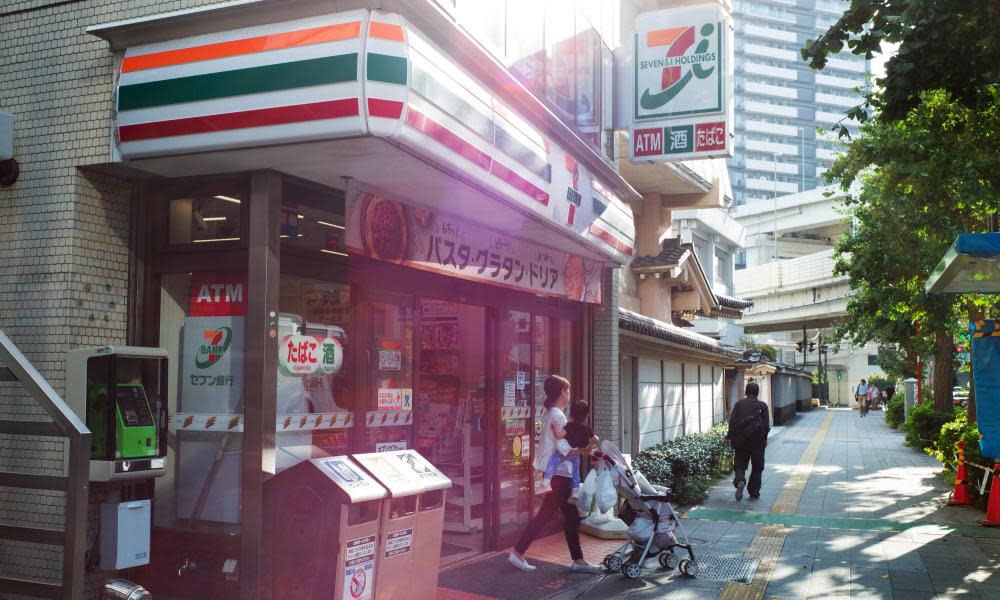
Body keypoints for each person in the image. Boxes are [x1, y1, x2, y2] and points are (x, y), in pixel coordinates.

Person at [509, 375, 602, 574]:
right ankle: (518, 553)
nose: (569, 394)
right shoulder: (558, 416)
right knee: (550, 516)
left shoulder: (551, 413)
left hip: (558, 474)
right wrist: (586, 451)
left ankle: (578, 560)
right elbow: (563, 447)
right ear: (562, 393)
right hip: (561, 475)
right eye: (567, 390)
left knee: (569, 517)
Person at [544, 400, 599, 504]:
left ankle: (546, 481)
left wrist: (554, 427)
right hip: (575, 455)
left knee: (552, 461)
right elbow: (595, 440)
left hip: (565, 452)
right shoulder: (587, 428)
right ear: (587, 415)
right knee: (575, 473)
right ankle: (575, 491)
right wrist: (592, 443)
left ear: (572, 414)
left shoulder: (569, 425)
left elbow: (559, 435)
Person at [727, 382, 770, 501]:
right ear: (757, 392)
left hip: (741, 442)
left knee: (740, 465)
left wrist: (729, 436)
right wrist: (764, 439)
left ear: (746, 391)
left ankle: (740, 481)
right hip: (758, 443)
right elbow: (766, 425)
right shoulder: (763, 406)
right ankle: (754, 491)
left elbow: (732, 422)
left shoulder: (739, 404)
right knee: (757, 467)